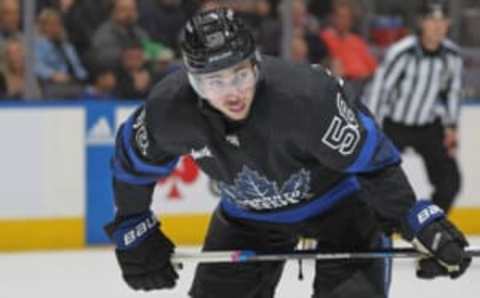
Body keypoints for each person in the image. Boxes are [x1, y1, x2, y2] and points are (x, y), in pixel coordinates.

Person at [104, 8, 471, 298]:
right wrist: (133, 224)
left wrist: (413, 217)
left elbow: (372, 161)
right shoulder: (169, 109)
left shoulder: (308, 98)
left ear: (256, 64)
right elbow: (131, 164)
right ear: (191, 81)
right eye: (213, 82)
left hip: (341, 209)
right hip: (247, 217)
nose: (232, 93)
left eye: (240, 75)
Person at [365, 0, 462, 214]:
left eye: (442, 20)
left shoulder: (452, 56)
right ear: (421, 23)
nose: (437, 26)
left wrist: (452, 128)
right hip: (393, 124)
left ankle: (430, 224)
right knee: (374, 176)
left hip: (428, 125)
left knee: (450, 182)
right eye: (431, 20)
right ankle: (373, 227)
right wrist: (372, 129)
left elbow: (452, 93)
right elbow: (379, 90)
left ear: (448, 23)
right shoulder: (402, 52)